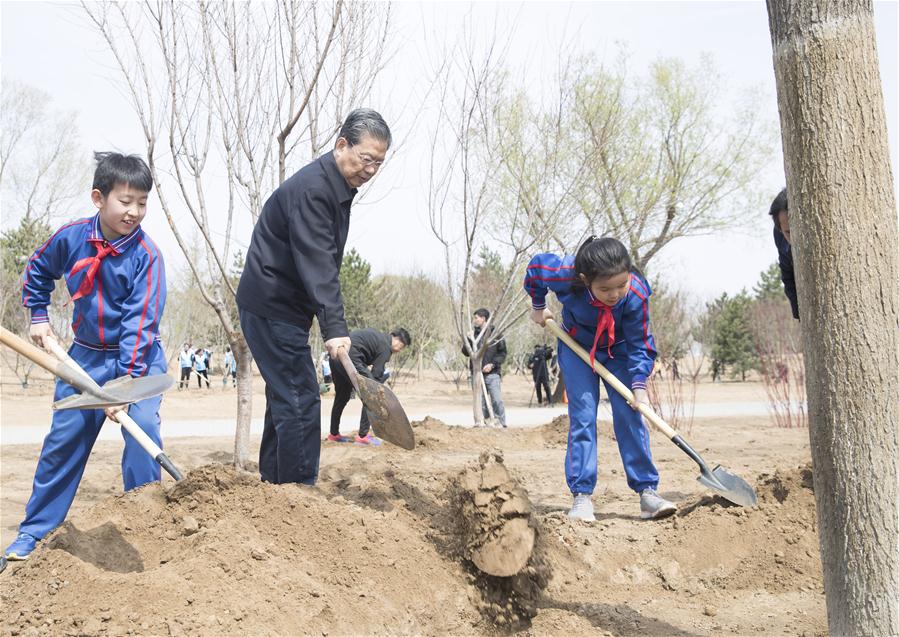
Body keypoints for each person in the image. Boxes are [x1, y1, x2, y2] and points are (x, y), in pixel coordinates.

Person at [5, 152, 167, 561]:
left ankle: (145, 528)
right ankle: (34, 535)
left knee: (141, 431)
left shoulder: (148, 256)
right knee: (64, 441)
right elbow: (39, 269)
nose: (134, 212)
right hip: (83, 358)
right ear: (99, 197)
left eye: (142, 203)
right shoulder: (72, 237)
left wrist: (125, 387)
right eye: (125, 201)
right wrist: (38, 315)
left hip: (139, 361)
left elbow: (140, 324)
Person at [236, 108, 391, 485]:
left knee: (284, 400)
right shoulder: (315, 190)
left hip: (279, 308)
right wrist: (335, 328)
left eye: (378, 163)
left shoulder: (335, 187)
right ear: (342, 145)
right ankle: (299, 494)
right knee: (301, 400)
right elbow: (318, 263)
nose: (370, 170)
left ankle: (275, 486)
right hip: (273, 306)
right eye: (366, 158)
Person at [525, 236, 677, 522]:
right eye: (605, 288)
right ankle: (582, 496)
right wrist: (537, 305)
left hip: (619, 351)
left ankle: (647, 492)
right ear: (585, 280)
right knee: (582, 417)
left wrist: (639, 386)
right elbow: (536, 268)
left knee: (631, 415)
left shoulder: (636, 294)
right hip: (576, 347)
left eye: (621, 284)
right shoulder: (565, 274)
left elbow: (640, 344)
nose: (615, 294)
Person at [327, 327, 411, 445]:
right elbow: (376, 378)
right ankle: (363, 436)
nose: (400, 350)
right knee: (372, 395)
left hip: (336, 356)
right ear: (396, 338)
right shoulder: (385, 347)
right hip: (351, 358)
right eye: (401, 346)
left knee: (342, 396)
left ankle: (334, 434)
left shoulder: (378, 338)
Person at [461, 308, 507, 428]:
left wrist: (492, 364)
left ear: (484, 319)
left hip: (492, 374)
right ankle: (485, 423)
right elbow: (466, 352)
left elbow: (502, 353)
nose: (474, 320)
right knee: (480, 402)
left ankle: (501, 423)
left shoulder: (495, 334)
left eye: (476, 318)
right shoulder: (474, 334)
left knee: (496, 399)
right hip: (477, 375)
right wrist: (468, 340)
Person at [769, 188, 799, 320]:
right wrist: (799, 314)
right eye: (788, 232)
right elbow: (787, 275)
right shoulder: (779, 237)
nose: (795, 238)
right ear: (780, 229)